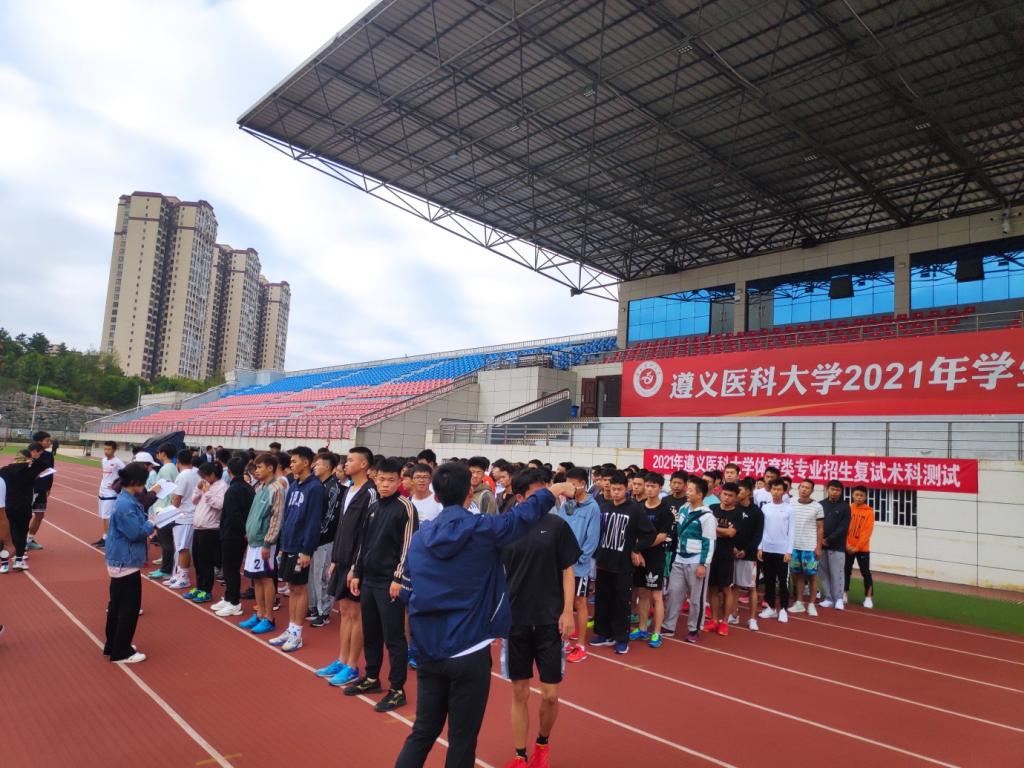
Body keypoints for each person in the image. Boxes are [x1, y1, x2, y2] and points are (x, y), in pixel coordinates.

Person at [394, 463, 574, 768]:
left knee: (423, 731)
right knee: (462, 739)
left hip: (429, 649)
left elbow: (408, 593)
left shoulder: (421, 539)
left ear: (436, 496)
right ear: (470, 492)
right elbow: (520, 517)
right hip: (469, 648)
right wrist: (552, 491)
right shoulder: (483, 529)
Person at [501, 469, 580, 768]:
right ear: (520, 498)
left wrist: (568, 610)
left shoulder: (557, 526)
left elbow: (568, 570)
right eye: (537, 494)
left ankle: (542, 743)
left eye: (546, 491)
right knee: (519, 692)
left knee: (550, 695)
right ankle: (519, 754)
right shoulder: (506, 527)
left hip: (549, 621)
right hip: (515, 622)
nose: (546, 497)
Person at [345, 457, 417, 712]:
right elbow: (363, 543)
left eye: (391, 480)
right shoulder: (373, 506)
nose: (385, 484)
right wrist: (357, 571)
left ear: (400, 481)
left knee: (394, 637)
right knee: (371, 632)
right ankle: (372, 677)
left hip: (390, 583)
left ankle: (397, 689)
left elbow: (408, 546)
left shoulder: (405, 507)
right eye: (382, 480)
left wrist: (398, 578)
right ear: (375, 479)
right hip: (368, 580)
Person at [317, 447, 377, 686]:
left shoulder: (370, 492)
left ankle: (352, 664)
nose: (346, 464)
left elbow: (367, 534)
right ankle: (341, 660)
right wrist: (335, 559)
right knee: (344, 611)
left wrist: (356, 566)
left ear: (364, 465)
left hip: (357, 564)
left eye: (351, 460)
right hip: (342, 560)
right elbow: (342, 527)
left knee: (356, 614)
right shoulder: (348, 489)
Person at [588, 472, 655, 654]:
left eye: (619, 489)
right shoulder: (603, 508)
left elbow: (649, 534)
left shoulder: (635, 510)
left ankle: (621, 639)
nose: (615, 492)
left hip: (623, 565)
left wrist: (636, 549)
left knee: (621, 603)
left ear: (626, 489)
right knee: (603, 601)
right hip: (603, 562)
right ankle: (604, 634)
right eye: (613, 489)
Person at [268, 447, 325, 652]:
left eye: (294, 461)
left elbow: (313, 521)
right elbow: (287, 516)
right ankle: (291, 628)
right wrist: (282, 546)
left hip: (301, 546)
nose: (290, 465)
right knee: (292, 588)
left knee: (300, 589)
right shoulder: (294, 485)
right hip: (289, 544)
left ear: (306, 462)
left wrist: (307, 550)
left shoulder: (315, 488)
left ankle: (297, 634)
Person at [103, 462, 155, 664]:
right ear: (134, 482)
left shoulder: (126, 500)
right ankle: (121, 651)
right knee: (128, 608)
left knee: (117, 605)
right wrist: (152, 523)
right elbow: (135, 533)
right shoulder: (126, 504)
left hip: (121, 559)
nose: (144, 487)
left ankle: (113, 644)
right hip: (125, 561)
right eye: (142, 483)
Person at [662, 477, 716, 643]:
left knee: (696, 598)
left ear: (700, 494)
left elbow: (709, 542)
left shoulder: (707, 516)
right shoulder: (684, 509)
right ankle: (668, 625)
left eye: (691, 490)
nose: (687, 492)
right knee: (673, 592)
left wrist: (703, 564)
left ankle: (694, 628)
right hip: (679, 557)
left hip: (696, 561)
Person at [556, 467, 601, 662]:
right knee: (561, 602)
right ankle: (563, 640)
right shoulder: (566, 503)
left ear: (583, 484)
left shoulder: (593, 508)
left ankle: (581, 645)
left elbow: (592, 540)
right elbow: (557, 527)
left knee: (579, 602)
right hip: (561, 563)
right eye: (567, 484)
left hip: (578, 566)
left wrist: (578, 558)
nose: (569, 488)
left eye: (573, 484)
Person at [240, 453, 285, 634]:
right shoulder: (261, 487)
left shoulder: (277, 488)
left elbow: (276, 518)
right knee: (256, 579)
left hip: (265, 542)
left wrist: (268, 542)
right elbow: (254, 514)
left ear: (270, 468)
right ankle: (259, 614)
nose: (256, 471)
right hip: (254, 540)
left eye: (259, 467)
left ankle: (269, 618)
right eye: (255, 467)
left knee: (266, 578)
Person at [629, 472, 674, 648]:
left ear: (660, 488)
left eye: (653, 486)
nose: (649, 489)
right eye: (647, 485)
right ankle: (642, 628)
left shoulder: (665, 511)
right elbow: (632, 532)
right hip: (638, 556)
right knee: (642, 593)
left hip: (655, 557)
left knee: (656, 595)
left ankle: (656, 633)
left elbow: (661, 536)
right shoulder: (637, 507)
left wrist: (639, 548)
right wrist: (636, 551)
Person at [211, 457, 254, 617]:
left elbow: (233, 515)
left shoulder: (233, 490)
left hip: (232, 534)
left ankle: (234, 602)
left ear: (229, 471)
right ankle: (229, 597)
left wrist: (237, 531)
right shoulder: (248, 488)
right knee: (231, 568)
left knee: (230, 569)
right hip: (240, 533)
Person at [0, 443, 48, 570]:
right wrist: (33, 459)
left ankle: (4, 564)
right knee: (21, 534)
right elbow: (44, 465)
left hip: (8, 506)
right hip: (23, 507)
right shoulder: (30, 470)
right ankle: (19, 561)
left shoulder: (5, 470)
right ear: (28, 459)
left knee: (5, 534)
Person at [307, 452, 341, 627]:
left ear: (327, 467)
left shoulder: (333, 488)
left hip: (325, 539)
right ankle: (314, 607)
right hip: (314, 538)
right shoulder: (318, 485)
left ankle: (324, 612)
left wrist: (317, 534)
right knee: (313, 575)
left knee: (323, 576)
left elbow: (329, 516)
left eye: (318, 464)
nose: (315, 467)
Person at [186, 463, 226, 604]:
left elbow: (220, 505)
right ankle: (199, 587)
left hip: (210, 529)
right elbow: (194, 501)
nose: (203, 478)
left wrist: (208, 492)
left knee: (206, 562)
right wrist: (198, 489)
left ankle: (207, 590)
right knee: (197, 560)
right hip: (198, 528)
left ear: (213, 474)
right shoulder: (205, 484)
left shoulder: (222, 487)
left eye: (205, 475)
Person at [704, 482, 740, 636]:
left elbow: (731, 533)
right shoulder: (712, 509)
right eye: (725, 494)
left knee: (726, 589)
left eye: (731, 496)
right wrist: (722, 531)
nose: (727, 498)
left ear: (735, 498)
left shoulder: (738, 513)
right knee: (712, 588)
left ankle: (725, 622)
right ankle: (714, 620)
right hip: (711, 553)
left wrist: (714, 529)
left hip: (726, 555)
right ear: (720, 494)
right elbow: (705, 528)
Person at [758, 480, 795, 623]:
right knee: (769, 581)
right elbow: (762, 529)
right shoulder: (765, 508)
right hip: (767, 549)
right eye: (774, 489)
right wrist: (760, 547)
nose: (776, 492)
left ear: (784, 491)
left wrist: (789, 551)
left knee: (783, 582)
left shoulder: (789, 509)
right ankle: (771, 607)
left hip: (782, 551)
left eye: (779, 489)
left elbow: (791, 531)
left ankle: (784, 609)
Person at [730, 478, 764, 630]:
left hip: (749, 555)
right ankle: (733, 614)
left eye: (740, 491)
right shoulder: (734, 509)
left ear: (749, 492)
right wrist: (734, 548)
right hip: (732, 553)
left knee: (751, 587)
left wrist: (746, 550)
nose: (737, 494)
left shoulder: (757, 512)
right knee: (734, 586)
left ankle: (752, 619)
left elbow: (758, 535)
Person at [788, 479, 824, 617]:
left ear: (812, 491)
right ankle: (799, 603)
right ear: (798, 488)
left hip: (809, 547)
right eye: (802, 487)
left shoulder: (817, 507)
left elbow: (820, 528)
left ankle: (812, 604)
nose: (804, 489)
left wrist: (818, 546)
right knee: (797, 575)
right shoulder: (791, 502)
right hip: (793, 546)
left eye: (807, 488)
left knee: (812, 576)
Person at [166, 450, 200, 590]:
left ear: (178, 461)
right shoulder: (196, 473)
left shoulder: (182, 475)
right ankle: (179, 574)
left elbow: (177, 498)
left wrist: (169, 513)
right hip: (191, 514)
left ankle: (184, 577)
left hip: (185, 516)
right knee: (181, 547)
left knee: (183, 548)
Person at [146, 443, 179, 580]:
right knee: (167, 542)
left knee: (166, 542)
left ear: (163, 454)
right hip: (168, 508)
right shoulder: (173, 468)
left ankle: (166, 570)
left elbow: (165, 491)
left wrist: (159, 510)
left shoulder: (165, 469)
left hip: (164, 509)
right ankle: (167, 568)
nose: (157, 455)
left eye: (158, 453)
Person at [819, 480, 851, 609]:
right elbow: (817, 524)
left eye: (837, 490)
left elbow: (843, 527)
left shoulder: (845, 506)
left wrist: (829, 539)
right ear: (827, 489)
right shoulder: (821, 505)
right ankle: (828, 597)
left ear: (841, 492)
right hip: (821, 545)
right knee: (823, 573)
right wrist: (820, 540)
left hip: (837, 546)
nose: (834, 492)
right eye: (832, 489)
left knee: (837, 573)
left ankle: (838, 599)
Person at [845, 485, 875, 608]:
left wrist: (857, 547)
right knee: (846, 571)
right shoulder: (848, 508)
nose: (858, 497)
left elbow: (867, 532)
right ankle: (844, 593)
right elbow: (843, 528)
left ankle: (868, 597)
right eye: (856, 495)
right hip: (847, 547)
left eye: (861, 495)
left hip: (862, 549)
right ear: (852, 495)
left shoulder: (869, 512)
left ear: (865, 497)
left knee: (866, 573)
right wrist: (846, 544)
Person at [93, 441, 125, 549]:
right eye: (105, 449)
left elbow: (127, 474)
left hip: (111, 493)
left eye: (109, 449)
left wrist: (117, 484)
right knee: (103, 515)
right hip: (102, 491)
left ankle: (108, 539)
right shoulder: (103, 460)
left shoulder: (118, 462)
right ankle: (105, 537)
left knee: (107, 516)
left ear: (114, 450)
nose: (106, 451)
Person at [27, 430, 54, 551]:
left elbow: (51, 471)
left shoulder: (49, 455)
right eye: (47, 440)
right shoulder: (27, 453)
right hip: (29, 490)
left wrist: (49, 487)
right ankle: (15, 541)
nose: (49, 443)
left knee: (39, 515)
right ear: (39, 442)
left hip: (42, 490)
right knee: (24, 516)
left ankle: (29, 540)